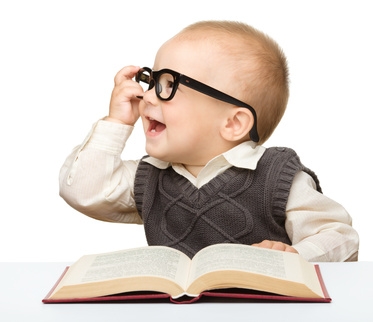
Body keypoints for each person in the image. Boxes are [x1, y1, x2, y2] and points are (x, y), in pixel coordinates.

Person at [59, 20, 359, 261]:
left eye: (169, 85)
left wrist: (295, 255)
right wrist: (116, 123)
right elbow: (84, 191)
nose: (146, 96)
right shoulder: (149, 176)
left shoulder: (277, 177)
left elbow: (339, 236)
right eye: (152, 81)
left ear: (232, 123)